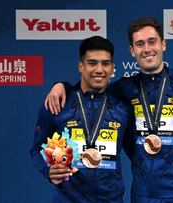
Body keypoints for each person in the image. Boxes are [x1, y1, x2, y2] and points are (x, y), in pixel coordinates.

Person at [45, 17, 173, 202]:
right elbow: (89, 90)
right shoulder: (123, 89)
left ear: (163, 44)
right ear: (132, 51)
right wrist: (61, 85)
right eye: (140, 44)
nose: (147, 49)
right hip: (142, 194)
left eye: (152, 42)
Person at [30, 36, 135, 202]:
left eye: (105, 63)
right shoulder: (58, 103)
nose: (99, 70)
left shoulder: (123, 107)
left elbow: (139, 150)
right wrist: (47, 169)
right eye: (92, 63)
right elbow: (37, 148)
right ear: (81, 65)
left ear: (112, 67)